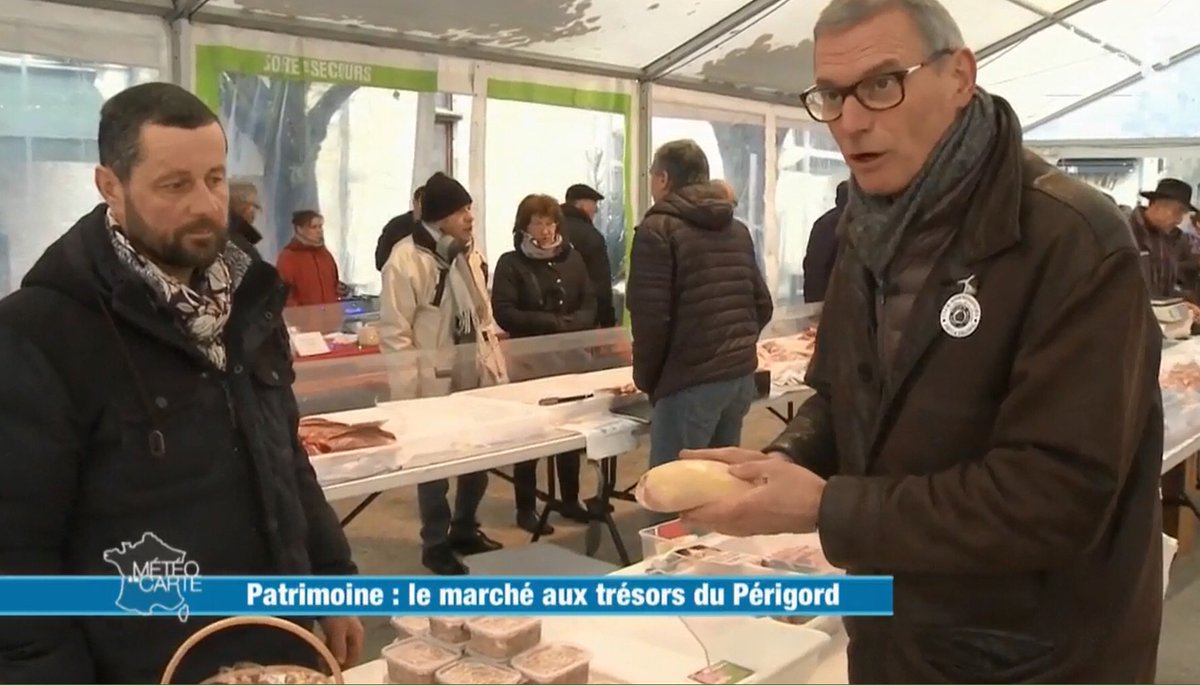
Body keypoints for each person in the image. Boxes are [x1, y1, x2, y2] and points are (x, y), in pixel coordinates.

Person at [680, 1, 1162, 682]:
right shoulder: (869, 224)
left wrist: (825, 505)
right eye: (832, 95)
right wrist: (779, 462)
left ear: (960, 75)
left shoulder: (1074, 238)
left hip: (1030, 652)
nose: (849, 120)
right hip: (894, 634)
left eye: (882, 84)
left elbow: (1055, 496)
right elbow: (842, 393)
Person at [0, 82, 362, 684]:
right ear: (110, 186)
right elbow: (15, 548)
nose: (204, 204)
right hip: (149, 660)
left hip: (280, 644)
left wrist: (332, 574)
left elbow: (285, 455)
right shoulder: (41, 332)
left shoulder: (250, 303)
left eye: (215, 179)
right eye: (175, 185)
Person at [378, 171, 507, 575]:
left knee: (477, 455)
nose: (470, 217)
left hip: (474, 369)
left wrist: (497, 368)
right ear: (438, 217)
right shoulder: (405, 260)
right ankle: (435, 543)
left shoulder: (470, 254)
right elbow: (396, 333)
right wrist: (408, 398)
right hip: (432, 377)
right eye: (460, 210)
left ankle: (465, 527)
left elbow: (484, 315)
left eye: (469, 208)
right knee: (433, 466)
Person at [627, 140, 773, 468]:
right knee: (717, 482)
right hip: (737, 377)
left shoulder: (657, 230)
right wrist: (736, 346)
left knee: (672, 490)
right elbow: (762, 304)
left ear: (663, 178)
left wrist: (649, 381)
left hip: (689, 381)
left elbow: (650, 319)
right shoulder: (737, 230)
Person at [491, 194, 596, 534]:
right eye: (538, 223)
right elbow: (504, 312)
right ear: (525, 226)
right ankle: (525, 506)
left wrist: (574, 324)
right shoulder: (511, 263)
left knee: (569, 428)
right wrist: (549, 323)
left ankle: (570, 499)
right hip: (530, 362)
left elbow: (589, 302)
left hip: (569, 359)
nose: (547, 230)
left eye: (551, 223)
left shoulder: (573, 259)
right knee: (531, 433)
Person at [1128, 177, 1200, 302]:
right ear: (1157, 205)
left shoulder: (1170, 239)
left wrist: (1184, 303)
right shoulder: (1126, 231)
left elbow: (1165, 288)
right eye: (1178, 211)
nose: (1179, 220)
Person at [559, 183, 616, 328]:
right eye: (593, 204)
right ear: (580, 205)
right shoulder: (591, 236)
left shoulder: (550, 230)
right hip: (583, 320)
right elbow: (601, 283)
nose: (596, 209)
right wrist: (608, 321)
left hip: (552, 319)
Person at [276, 210, 345, 307]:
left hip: (330, 316)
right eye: (314, 227)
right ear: (300, 229)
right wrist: (298, 315)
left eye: (320, 227)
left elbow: (334, 285)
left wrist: (340, 290)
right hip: (303, 319)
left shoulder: (325, 255)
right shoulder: (289, 257)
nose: (319, 231)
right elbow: (285, 294)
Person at [803, 180, 848, 303]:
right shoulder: (859, 222)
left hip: (825, 298)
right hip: (847, 300)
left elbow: (814, 265)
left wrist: (812, 301)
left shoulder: (823, 223)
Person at [376, 186, 425, 271]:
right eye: (423, 203)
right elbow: (381, 260)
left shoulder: (438, 228)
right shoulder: (396, 226)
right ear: (415, 203)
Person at [228, 179, 263, 259]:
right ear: (246, 207)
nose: (255, 212)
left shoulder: (217, 239)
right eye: (255, 206)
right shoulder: (243, 249)